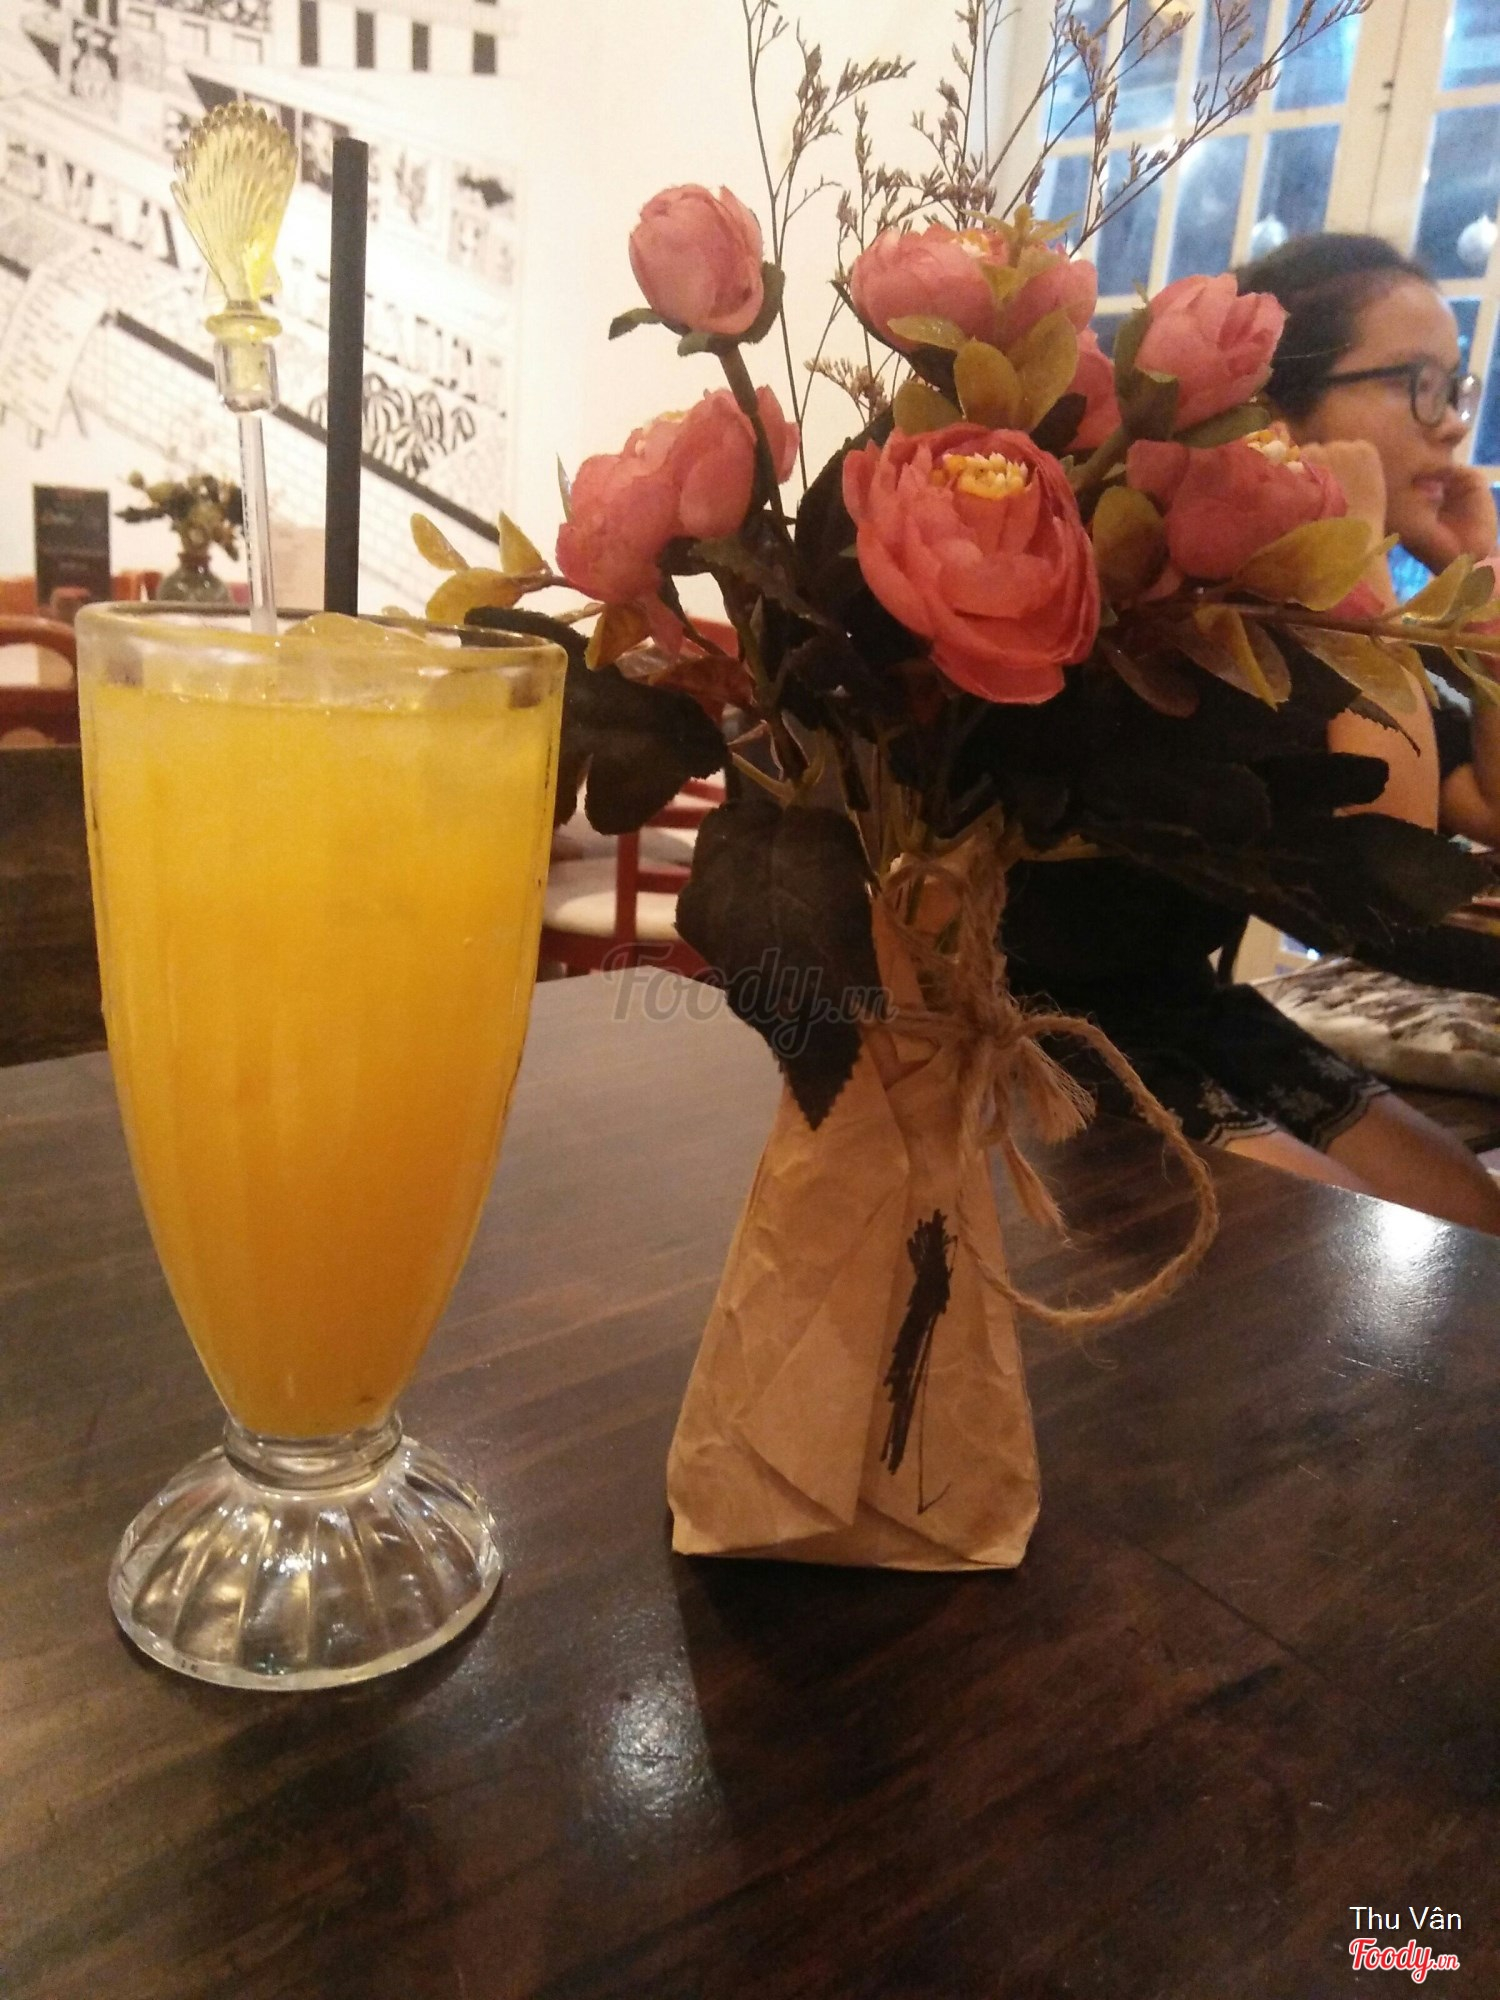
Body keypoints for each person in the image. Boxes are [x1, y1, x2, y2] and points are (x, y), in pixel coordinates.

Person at [1003, 233, 1500, 1235]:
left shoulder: (1311, 618)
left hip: (1184, 1004)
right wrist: (1356, 565)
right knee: (1346, 1245)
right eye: (1417, 384)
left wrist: (1484, 584)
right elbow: (1383, 857)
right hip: (1032, 1024)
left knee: (1470, 1214)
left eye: (1454, 387)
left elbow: (1488, 805)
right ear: (1272, 412)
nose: (1452, 424)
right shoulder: (1183, 608)